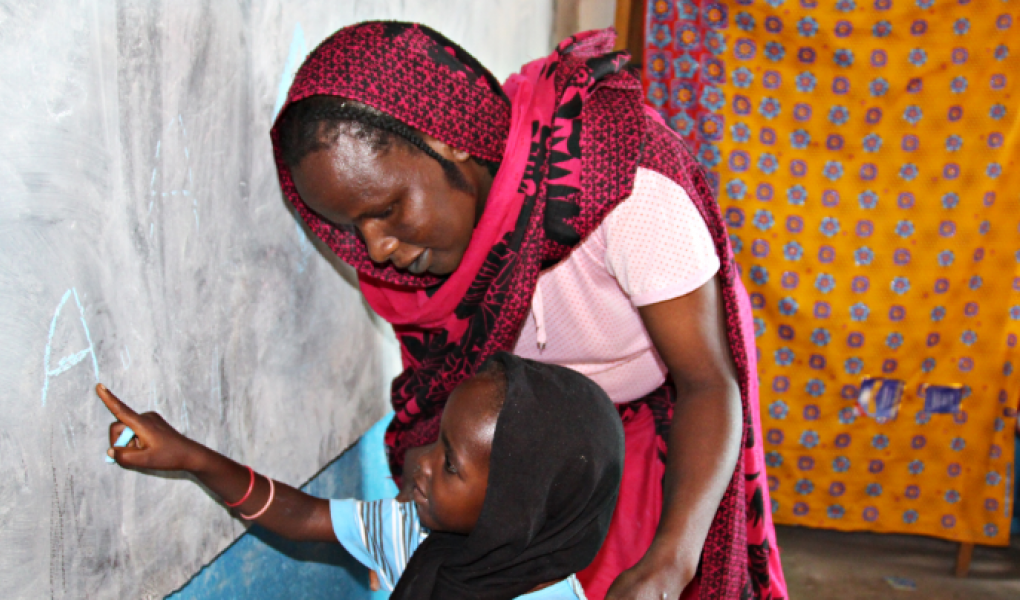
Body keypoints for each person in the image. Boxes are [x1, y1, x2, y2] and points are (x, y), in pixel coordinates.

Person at [270, 22, 788, 600]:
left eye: (388, 208)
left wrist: (669, 565)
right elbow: (449, 399)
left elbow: (707, 384)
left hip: (674, 427)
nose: (377, 249)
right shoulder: (418, 270)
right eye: (352, 226)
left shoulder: (624, 185)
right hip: (538, 459)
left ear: (448, 140)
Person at [97, 352, 624, 600]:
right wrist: (193, 457)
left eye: (448, 463)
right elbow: (302, 517)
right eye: (437, 436)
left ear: (518, 512)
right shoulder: (415, 532)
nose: (416, 460)